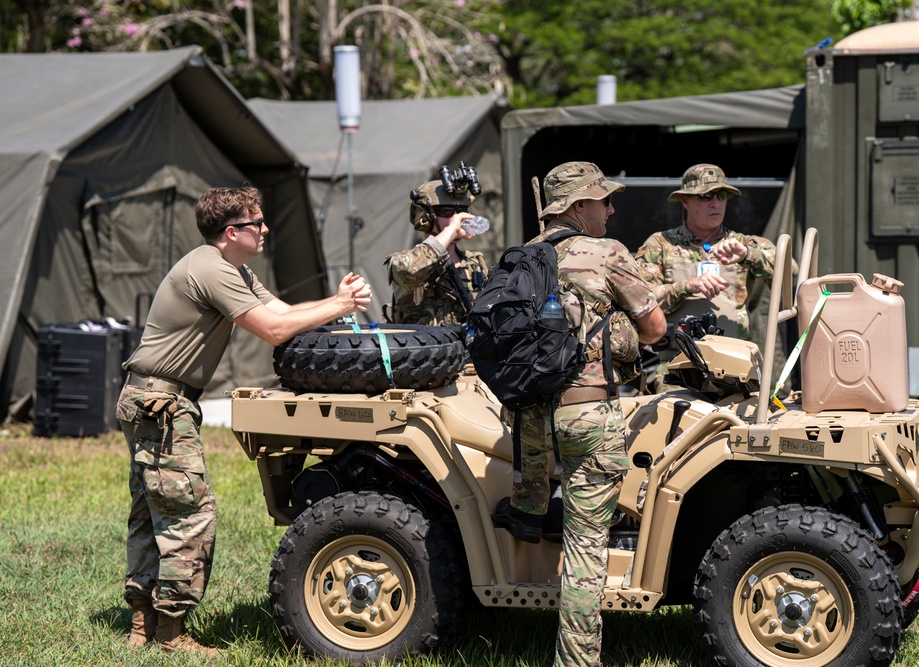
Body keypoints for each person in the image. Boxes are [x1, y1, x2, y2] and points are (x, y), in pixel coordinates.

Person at [116, 185, 372, 655]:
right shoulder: (211, 267)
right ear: (231, 232)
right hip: (161, 403)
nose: (265, 229)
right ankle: (170, 634)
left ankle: (142, 625)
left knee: (152, 513)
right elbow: (273, 331)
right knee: (190, 513)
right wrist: (342, 307)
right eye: (257, 222)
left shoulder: (232, 268)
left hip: (154, 399)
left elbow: (284, 313)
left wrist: (334, 300)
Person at [493, 162, 666, 667]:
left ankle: (527, 512)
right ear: (576, 208)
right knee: (586, 550)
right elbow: (654, 328)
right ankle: (576, 661)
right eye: (603, 200)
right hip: (586, 413)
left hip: (527, 417)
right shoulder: (606, 253)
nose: (611, 209)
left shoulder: (523, 258)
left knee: (546, 502)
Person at [635, 163, 781, 341]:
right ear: (685, 201)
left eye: (722, 195)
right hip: (677, 360)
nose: (716, 203)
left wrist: (747, 255)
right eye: (706, 196)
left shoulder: (742, 243)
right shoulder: (661, 244)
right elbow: (640, 301)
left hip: (734, 359)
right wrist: (686, 287)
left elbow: (791, 272)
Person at [383, 179, 489, 329]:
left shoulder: (475, 263)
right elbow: (409, 270)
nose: (456, 219)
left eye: (461, 211)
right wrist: (450, 231)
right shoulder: (404, 261)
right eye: (446, 212)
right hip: (424, 349)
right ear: (425, 217)